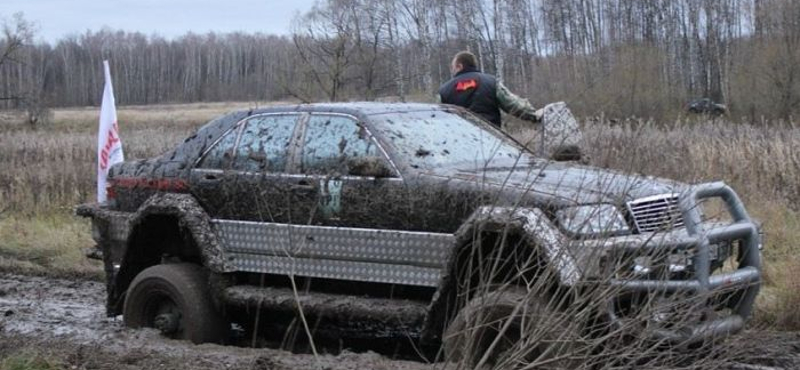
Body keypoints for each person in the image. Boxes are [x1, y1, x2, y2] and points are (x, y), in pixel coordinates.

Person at [439, 51, 541, 128]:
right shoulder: (491, 82)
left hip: (460, 142)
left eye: (453, 68)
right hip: (491, 139)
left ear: (459, 66)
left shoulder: (443, 90)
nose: (452, 71)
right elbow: (513, 105)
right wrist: (535, 116)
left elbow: (438, 118)